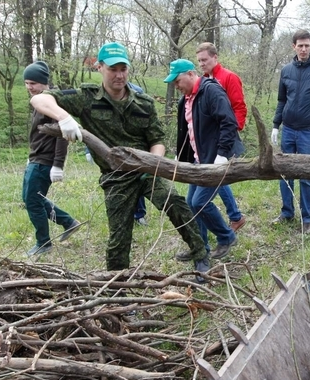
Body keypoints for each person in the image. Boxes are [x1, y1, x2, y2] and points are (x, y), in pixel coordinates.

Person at [29, 42, 210, 280]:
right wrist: (64, 118)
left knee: (175, 203)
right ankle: (117, 281)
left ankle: (201, 255)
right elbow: (40, 99)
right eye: (113, 69)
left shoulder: (144, 103)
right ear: (100, 68)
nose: (119, 75)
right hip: (115, 178)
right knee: (119, 236)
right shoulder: (86, 98)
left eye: (123, 69)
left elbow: (157, 140)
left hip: (146, 170)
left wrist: (154, 163)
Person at [165, 59, 239, 261]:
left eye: (178, 81)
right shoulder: (186, 100)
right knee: (191, 203)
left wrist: (222, 154)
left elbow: (228, 122)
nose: (176, 86)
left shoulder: (211, 91)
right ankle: (200, 246)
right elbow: (187, 131)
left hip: (215, 160)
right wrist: (180, 156)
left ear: (191, 74)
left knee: (200, 202)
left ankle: (226, 237)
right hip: (199, 160)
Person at [271, 29, 310, 233]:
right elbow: (281, 100)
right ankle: (287, 212)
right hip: (288, 129)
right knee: (285, 173)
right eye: (300, 46)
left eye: (307, 45)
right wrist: (276, 125)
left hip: (307, 131)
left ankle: (307, 218)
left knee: (306, 174)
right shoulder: (286, 70)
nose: (304, 49)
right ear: (294, 46)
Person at [22, 61, 82, 256]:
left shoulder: (52, 103)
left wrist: (58, 165)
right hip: (36, 159)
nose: (29, 87)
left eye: (33, 83)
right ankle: (68, 222)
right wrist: (31, 157)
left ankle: (43, 243)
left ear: (44, 82)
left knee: (33, 201)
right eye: (27, 83)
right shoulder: (40, 102)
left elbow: (63, 135)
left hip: (45, 162)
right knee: (31, 198)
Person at [195, 41, 247, 232]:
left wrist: (233, 132)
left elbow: (239, 107)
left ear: (215, 57)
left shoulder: (229, 77)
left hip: (226, 137)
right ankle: (235, 216)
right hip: (209, 140)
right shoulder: (202, 81)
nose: (202, 64)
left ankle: (235, 216)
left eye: (205, 60)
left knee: (217, 175)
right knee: (217, 176)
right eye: (199, 61)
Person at [84, 81, 149, 226]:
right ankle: (121, 215)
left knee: (136, 180)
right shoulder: (97, 95)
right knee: (115, 181)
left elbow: (144, 122)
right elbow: (92, 125)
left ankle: (139, 215)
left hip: (132, 147)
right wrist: (89, 149)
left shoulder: (137, 92)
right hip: (109, 149)